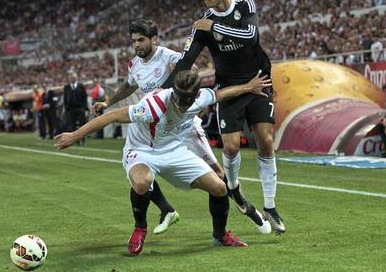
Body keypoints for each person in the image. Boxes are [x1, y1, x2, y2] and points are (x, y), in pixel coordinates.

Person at [55, 70, 272, 255]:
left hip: (174, 150)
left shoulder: (201, 97)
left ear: (196, 95)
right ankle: (140, 227)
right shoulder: (153, 105)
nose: (180, 105)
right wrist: (74, 136)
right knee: (142, 182)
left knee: (219, 187)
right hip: (142, 150)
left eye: (187, 101)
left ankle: (220, 235)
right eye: (178, 99)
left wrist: (248, 87)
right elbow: (111, 116)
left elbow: (220, 94)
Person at [92, 19, 271, 235]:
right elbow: (128, 86)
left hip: (185, 125)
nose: (136, 45)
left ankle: (246, 206)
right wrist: (107, 103)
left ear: (154, 39)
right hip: (155, 128)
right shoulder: (134, 65)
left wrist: (178, 72)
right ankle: (166, 209)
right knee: (141, 168)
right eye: (134, 41)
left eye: (141, 40)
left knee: (218, 173)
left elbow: (192, 74)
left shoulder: (169, 56)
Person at [161, 0, 285, 233]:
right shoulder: (202, 25)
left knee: (266, 140)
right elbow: (185, 62)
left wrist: (215, 27)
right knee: (230, 147)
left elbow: (251, 36)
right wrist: (161, 91)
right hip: (229, 87)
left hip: (258, 80)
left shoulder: (244, 5)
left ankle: (271, 207)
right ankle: (232, 187)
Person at [63, 73, 88, 145]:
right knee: (72, 125)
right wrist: (66, 108)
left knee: (82, 125)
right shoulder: (67, 87)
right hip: (71, 109)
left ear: (76, 78)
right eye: (71, 77)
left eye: (73, 77)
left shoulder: (81, 86)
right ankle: (75, 140)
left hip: (80, 108)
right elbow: (65, 98)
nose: (72, 79)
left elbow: (84, 97)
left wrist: (85, 108)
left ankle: (83, 139)